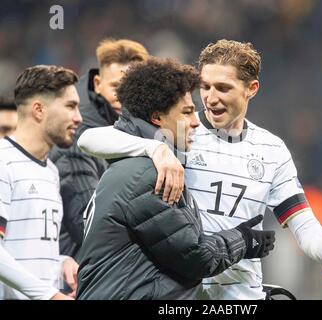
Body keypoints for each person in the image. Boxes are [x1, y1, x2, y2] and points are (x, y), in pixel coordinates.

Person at [78, 40, 322, 300]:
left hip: (241, 293)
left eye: (223, 88)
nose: (210, 98)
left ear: (251, 88)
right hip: (183, 290)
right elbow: (89, 139)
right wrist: (155, 149)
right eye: (205, 86)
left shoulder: (272, 150)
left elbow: (302, 222)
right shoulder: (179, 130)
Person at [76, 58, 275, 300]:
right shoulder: (149, 175)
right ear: (157, 117)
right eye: (187, 112)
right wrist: (244, 239)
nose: (194, 122)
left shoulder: (138, 161)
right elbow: (196, 257)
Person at [49, 38, 155, 257]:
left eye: (133, 88)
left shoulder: (139, 129)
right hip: (80, 271)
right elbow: (86, 223)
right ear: (97, 83)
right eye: (116, 87)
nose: (123, 97)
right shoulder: (77, 136)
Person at [0, 65, 81, 300]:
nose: (79, 117)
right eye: (70, 106)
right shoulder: (3, 161)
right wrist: (50, 295)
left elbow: (26, 251)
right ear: (38, 110)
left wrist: (61, 262)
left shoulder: (51, 172)